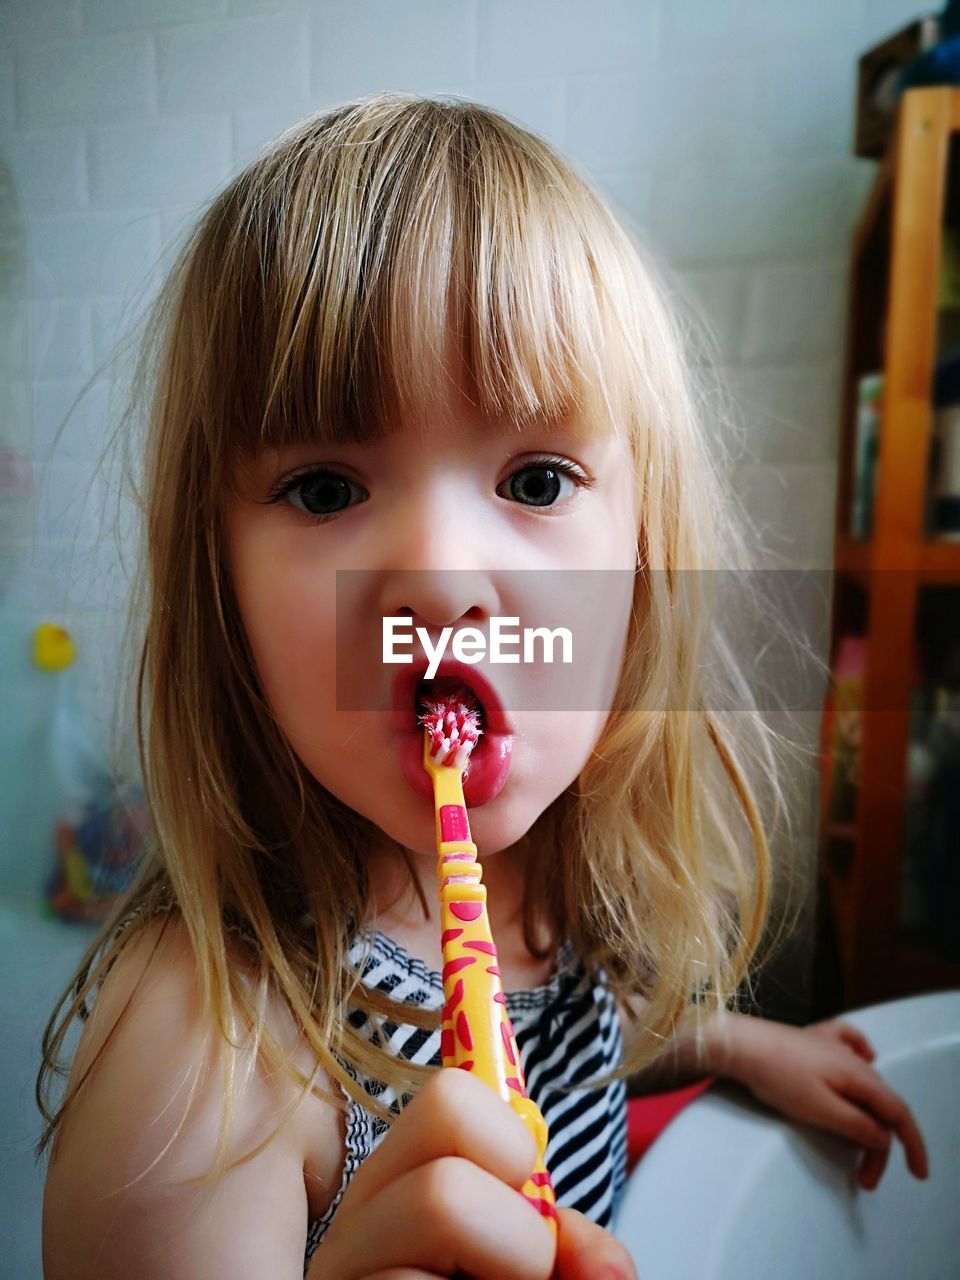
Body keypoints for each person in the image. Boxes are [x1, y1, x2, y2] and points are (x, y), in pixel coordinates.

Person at [38, 93, 927, 1280]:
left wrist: (741, 1044)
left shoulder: (550, 873)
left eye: (541, 479)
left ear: (645, 566)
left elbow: (574, 1024)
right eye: (323, 488)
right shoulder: (204, 1057)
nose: (446, 581)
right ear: (221, 588)